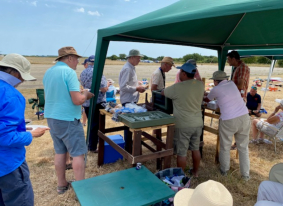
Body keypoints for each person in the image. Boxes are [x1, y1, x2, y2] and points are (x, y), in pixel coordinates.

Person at [43, 46, 94, 194]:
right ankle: (82, 190)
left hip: (52, 117)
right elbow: (77, 100)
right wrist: (86, 95)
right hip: (67, 118)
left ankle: (61, 185)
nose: (78, 62)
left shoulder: (49, 72)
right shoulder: (69, 72)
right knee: (78, 154)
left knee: (60, 151)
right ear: (70, 58)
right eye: (76, 59)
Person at [0, 53, 50, 205]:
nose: (21, 82)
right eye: (22, 77)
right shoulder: (11, 95)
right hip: (8, 163)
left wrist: (22, 127)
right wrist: (31, 134)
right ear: (15, 73)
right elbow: (5, 137)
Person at [204, 71, 250, 180]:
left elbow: (207, 99)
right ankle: (246, 175)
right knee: (243, 147)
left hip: (229, 119)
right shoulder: (232, 84)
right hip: (244, 116)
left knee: (225, 146)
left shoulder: (216, 89)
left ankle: (224, 171)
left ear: (215, 81)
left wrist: (203, 94)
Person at [162, 63, 204, 176]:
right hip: (197, 123)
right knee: (195, 148)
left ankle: (180, 177)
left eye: (180, 72)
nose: (179, 74)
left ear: (184, 74)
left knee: (182, 152)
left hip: (183, 125)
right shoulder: (200, 85)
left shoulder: (177, 87)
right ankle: (195, 172)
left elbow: (163, 92)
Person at [80, 55, 108, 153]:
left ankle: (90, 144)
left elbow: (84, 86)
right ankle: (92, 147)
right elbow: (104, 89)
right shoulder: (98, 72)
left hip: (87, 102)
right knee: (97, 126)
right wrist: (108, 85)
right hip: (98, 102)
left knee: (91, 124)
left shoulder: (83, 72)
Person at [227, 50, 250, 150]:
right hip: (236, 99)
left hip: (238, 100)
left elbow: (240, 85)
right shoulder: (238, 68)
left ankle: (237, 144)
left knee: (237, 124)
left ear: (233, 59)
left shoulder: (242, 68)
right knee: (236, 123)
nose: (228, 61)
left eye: (228, 59)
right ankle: (236, 143)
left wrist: (227, 87)